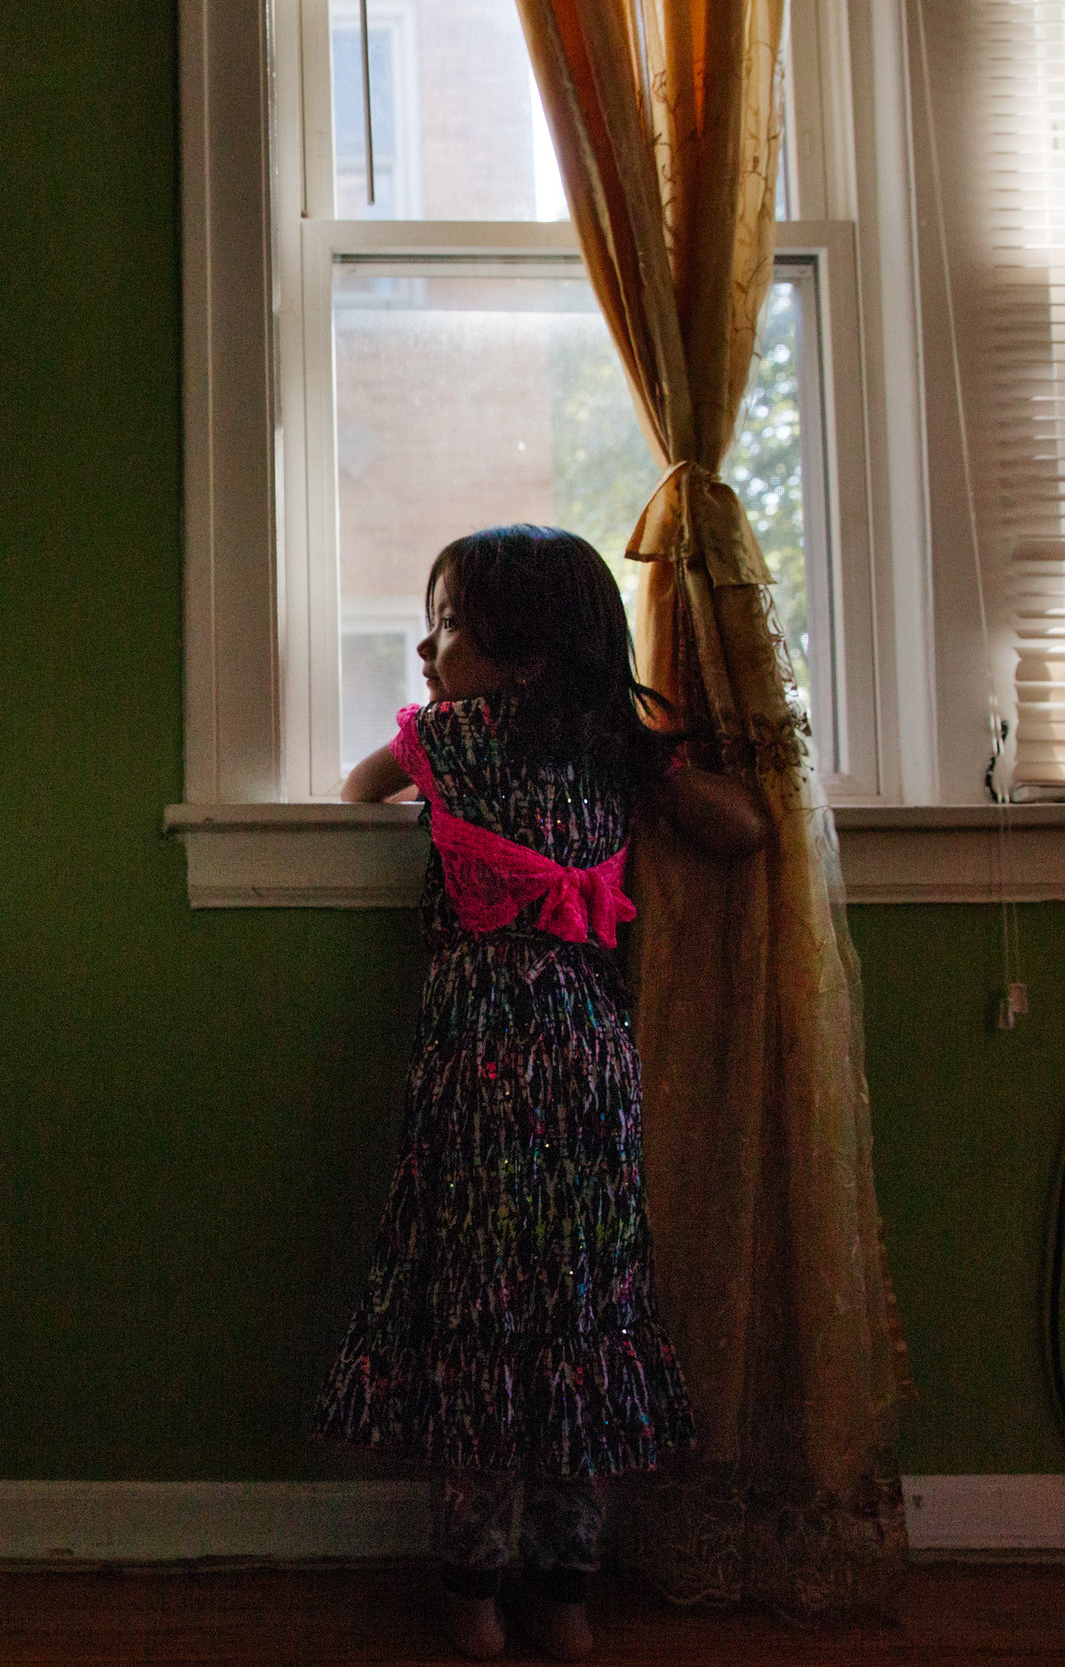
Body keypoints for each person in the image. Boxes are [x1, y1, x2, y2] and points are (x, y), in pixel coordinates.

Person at [311, 524, 764, 1661]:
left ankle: (476, 1588)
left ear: (524, 656)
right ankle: (559, 1590)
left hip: (483, 1070)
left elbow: (352, 790)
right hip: (581, 1064)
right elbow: (743, 825)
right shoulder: (615, 748)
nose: (426, 646)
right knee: (580, 1317)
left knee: (483, 1320)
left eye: (451, 624)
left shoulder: (448, 744)